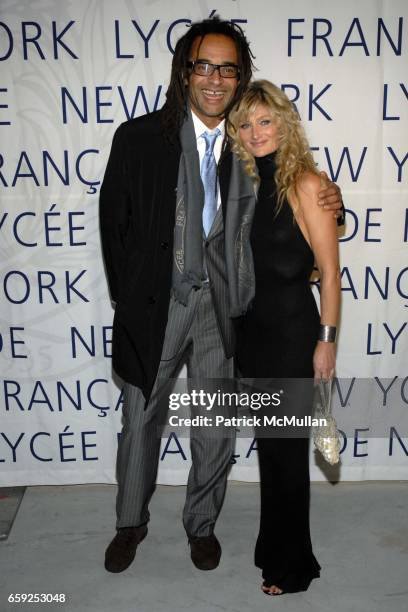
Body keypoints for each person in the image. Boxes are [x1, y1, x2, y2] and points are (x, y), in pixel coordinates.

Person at [99, 17, 343, 575]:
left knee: (215, 423)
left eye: (227, 69)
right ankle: (129, 523)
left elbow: (295, 196)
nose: (215, 79)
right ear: (185, 73)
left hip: (225, 312)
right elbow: (115, 225)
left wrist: (334, 200)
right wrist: (128, 300)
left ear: (239, 78)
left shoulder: (245, 146)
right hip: (158, 308)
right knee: (141, 418)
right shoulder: (138, 138)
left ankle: (201, 525)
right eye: (203, 66)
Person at [227, 80, 341, 595]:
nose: (255, 132)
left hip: (295, 333)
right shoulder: (242, 184)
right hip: (252, 333)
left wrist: (327, 340)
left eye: (264, 121)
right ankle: (271, 546)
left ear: (285, 123)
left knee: (287, 454)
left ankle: (292, 568)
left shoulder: (309, 184)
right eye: (245, 124)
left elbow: (331, 273)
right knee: (272, 451)